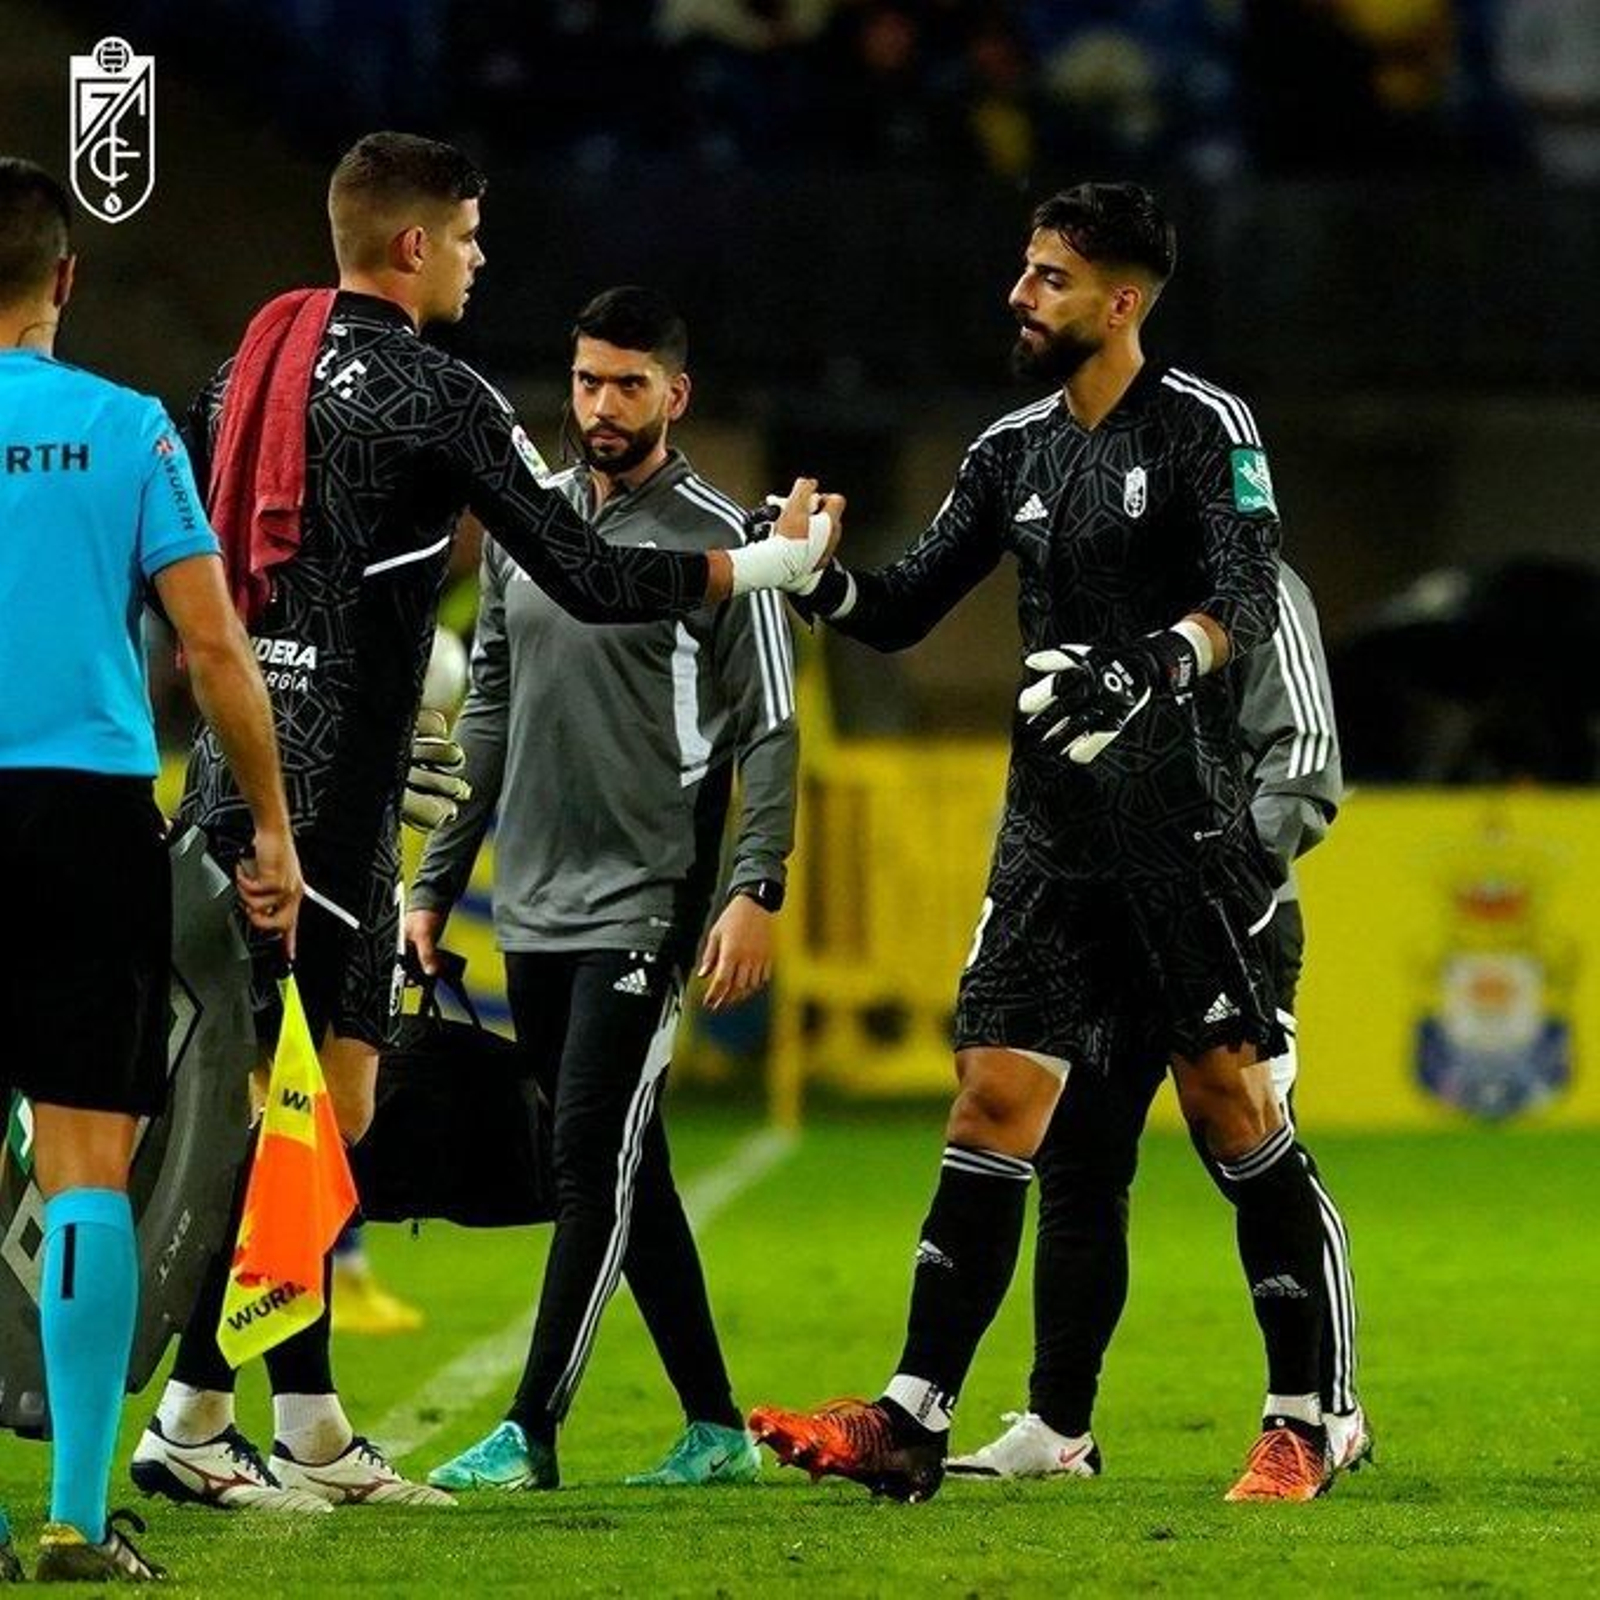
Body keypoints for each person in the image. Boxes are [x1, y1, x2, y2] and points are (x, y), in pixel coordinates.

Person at [130, 131, 840, 1514]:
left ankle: (305, 1420)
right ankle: (196, 1421)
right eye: (465, 236)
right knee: (289, 1122)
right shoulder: (439, 393)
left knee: (323, 1111)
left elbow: (201, 584)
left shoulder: (246, 366)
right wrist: (769, 561)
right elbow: (580, 572)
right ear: (411, 246)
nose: (477, 257)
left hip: (233, 777)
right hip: (320, 810)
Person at [750, 181, 1336, 1504]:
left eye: (1050, 279)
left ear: (1120, 302)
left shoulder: (1203, 427)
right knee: (994, 1100)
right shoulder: (1011, 447)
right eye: (1024, 271)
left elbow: (1245, 585)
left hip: (1181, 835)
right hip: (1049, 843)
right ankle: (911, 1414)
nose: (1021, 296)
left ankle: (1302, 1415)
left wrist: (1153, 667)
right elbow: (903, 607)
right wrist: (812, 579)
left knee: (1229, 1105)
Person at [408, 286, 793, 1492]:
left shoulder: (728, 544)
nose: (601, 407)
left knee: (584, 1151)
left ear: (674, 395)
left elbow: (770, 729)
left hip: (651, 889)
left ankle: (530, 1427)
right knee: (632, 1163)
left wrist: (754, 884)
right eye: (585, 381)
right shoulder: (538, 528)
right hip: (534, 898)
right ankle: (715, 1425)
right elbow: (489, 704)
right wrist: (433, 881)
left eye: (628, 384)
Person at [0, 157, 301, 1581]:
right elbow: (216, 651)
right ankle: (71, 1514)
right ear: (65, 276)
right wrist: (276, 833)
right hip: (80, 821)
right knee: (84, 1171)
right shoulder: (129, 431)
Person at [947, 562, 1369, 1484]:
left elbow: (1303, 756)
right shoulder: (1091, 581)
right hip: (1103, 916)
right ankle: (1060, 1427)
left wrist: (1229, 877)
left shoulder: (1254, 585)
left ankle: (1323, 1409)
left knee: (1250, 1140)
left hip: (1224, 919)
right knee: (1080, 1162)